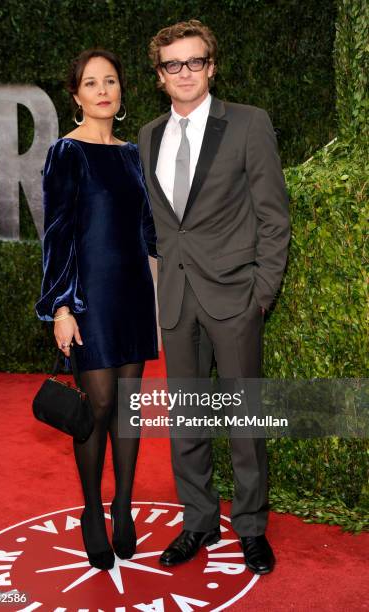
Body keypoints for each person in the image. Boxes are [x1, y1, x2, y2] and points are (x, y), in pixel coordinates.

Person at [138, 20, 290, 574]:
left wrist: (261, 294)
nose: (185, 72)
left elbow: (274, 217)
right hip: (176, 298)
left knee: (245, 420)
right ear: (159, 75)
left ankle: (251, 528)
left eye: (195, 61)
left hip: (235, 299)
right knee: (187, 421)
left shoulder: (248, 124)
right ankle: (198, 523)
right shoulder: (149, 135)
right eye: (173, 64)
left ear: (211, 66)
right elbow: (161, 224)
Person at [35, 48, 158, 571]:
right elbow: (57, 235)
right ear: (76, 95)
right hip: (90, 299)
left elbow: (148, 231)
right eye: (92, 82)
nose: (104, 90)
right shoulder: (67, 153)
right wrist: (61, 306)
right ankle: (91, 510)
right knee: (99, 404)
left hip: (133, 294)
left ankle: (123, 506)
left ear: (121, 91)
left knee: (128, 406)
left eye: (111, 80)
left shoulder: (132, 154)